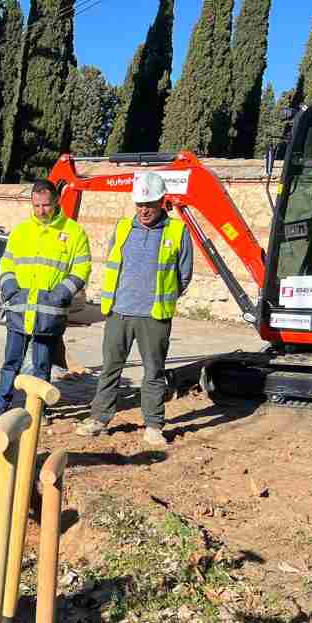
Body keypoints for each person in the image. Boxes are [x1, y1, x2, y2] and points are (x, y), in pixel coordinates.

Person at [76, 172, 193, 448]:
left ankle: (153, 426)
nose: (144, 210)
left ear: (162, 201)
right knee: (110, 368)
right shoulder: (123, 228)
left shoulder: (177, 231)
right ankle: (99, 419)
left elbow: (184, 274)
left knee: (153, 372)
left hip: (154, 316)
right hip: (119, 312)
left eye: (150, 204)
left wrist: (164, 297)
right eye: (140, 204)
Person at [0, 178, 91, 425]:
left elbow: (82, 268)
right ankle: (0, 405)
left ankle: (38, 409)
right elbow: (7, 263)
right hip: (20, 310)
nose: (41, 211)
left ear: (57, 201)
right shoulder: (21, 231)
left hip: (49, 313)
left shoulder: (74, 232)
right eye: (37, 205)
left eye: (46, 206)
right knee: (11, 362)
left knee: (42, 364)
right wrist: (9, 289)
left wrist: (61, 294)